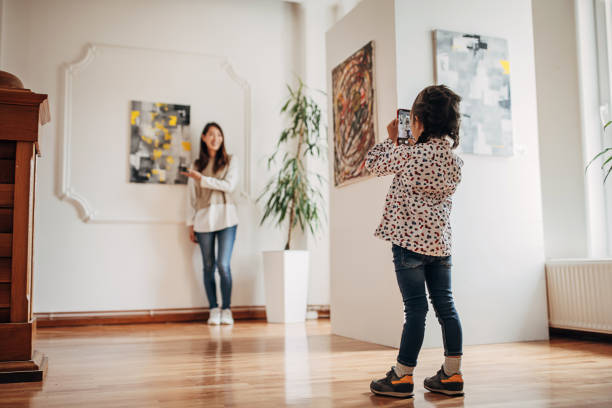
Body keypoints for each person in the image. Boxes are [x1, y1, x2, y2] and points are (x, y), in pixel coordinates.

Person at [366, 85, 465, 398]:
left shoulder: (408, 153)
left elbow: (371, 162)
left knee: (416, 311)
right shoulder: (455, 162)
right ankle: (451, 375)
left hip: (409, 246)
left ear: (418, 120)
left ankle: (402, 377)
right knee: (446, 307)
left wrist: (393, 139)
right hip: (441, 246)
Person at [182, 122, 239, 326]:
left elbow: (229, 186)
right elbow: (191, 197)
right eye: (212, 135)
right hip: (203, 220)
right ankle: (214, 309)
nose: (216, 138)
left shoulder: (230, 161)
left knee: (223, 266)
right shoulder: (196, 166)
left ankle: (227, 309)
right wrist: (190, 224)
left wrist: (202, 180)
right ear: (204, 137)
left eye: (219, 135)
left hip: (227, 219)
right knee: (208, 266)